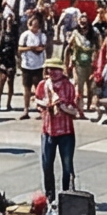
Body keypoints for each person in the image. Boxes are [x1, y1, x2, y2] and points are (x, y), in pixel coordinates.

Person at [37, 63, 81, 200]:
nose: (53, 72)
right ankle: (50, 196)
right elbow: (37, 102)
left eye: (56, 69)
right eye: (50, 69)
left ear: (62, 71)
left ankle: (67, 195)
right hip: (48, 130)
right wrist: (46, 104)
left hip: (66, 132)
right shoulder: (43, 85)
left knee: (67, 165)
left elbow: (76, 109)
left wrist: (63, 107)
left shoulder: (69, 86)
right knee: (47, 165)